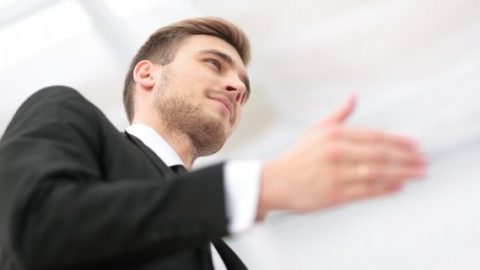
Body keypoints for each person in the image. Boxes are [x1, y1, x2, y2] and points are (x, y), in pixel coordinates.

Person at [0, 17, 426, 270]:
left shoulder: (217, 247)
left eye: (243, 84)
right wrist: (259, 185)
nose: (236, 87)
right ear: (147, 74)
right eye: (214, 63)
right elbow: (38, 230)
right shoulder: (63, 111)